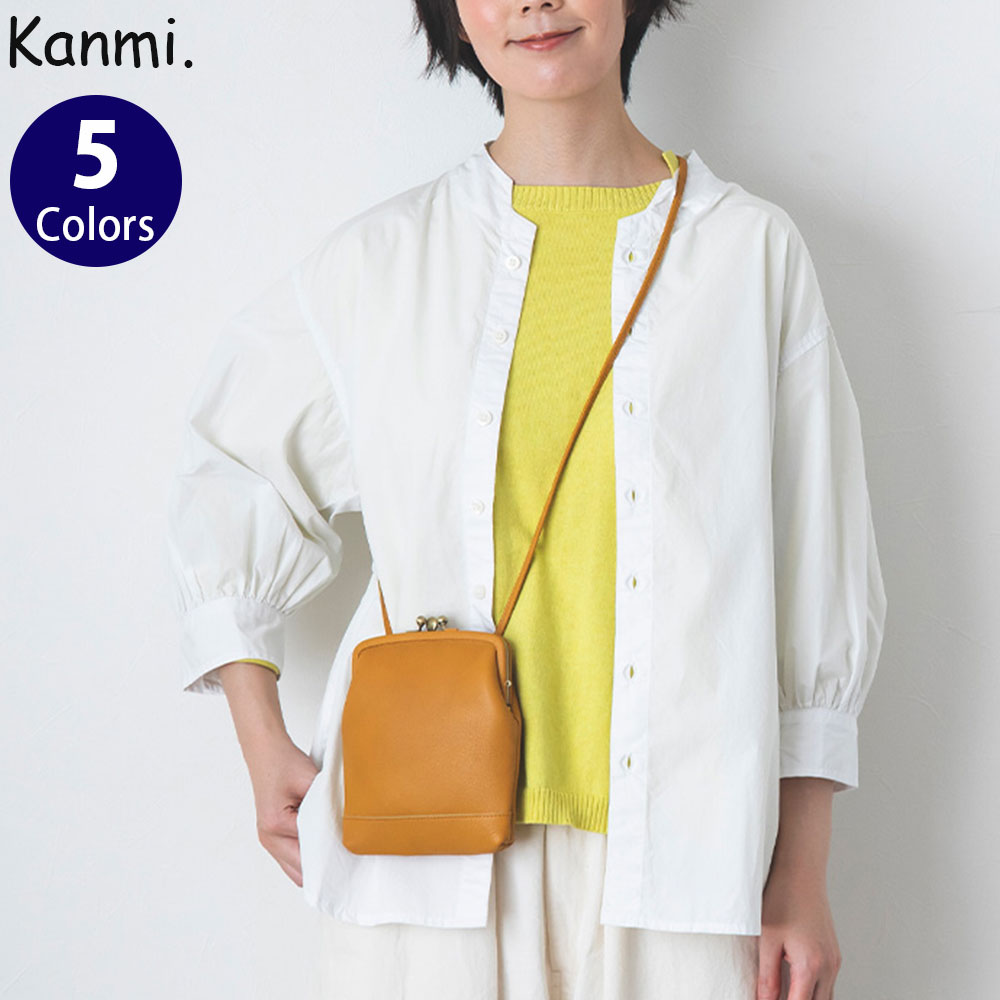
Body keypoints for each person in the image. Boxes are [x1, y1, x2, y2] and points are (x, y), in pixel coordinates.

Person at [165, 0, 887, 997]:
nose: (535, 2)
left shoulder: (748, 253)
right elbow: (234, 467)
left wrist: (800, 870)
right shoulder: (385, 261)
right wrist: (259, 736)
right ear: (456, 17)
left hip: (681, 859)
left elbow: (816, 569)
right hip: (425, 850)